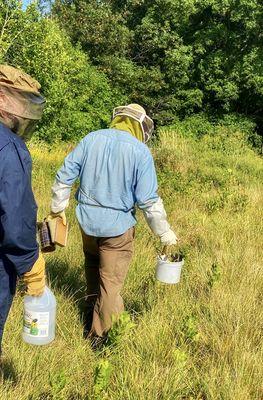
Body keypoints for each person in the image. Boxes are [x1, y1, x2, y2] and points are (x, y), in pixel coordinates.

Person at [48, 104, 178, 342]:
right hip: (117, 228)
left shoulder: (91, 139)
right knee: (111, 283)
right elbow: (148, 200)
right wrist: (164, 232)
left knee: (92, 267)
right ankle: (100, 336)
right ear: (140, 125)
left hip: (87, 223)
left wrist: (57, 209)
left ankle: (90, 314)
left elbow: (64, 175)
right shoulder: (140, 151)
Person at [0, 65, 46, 356]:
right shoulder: (8, 146)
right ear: (2, 99)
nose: (24, 113)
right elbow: (13, 217)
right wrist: (31, 262)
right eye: (21, 101)